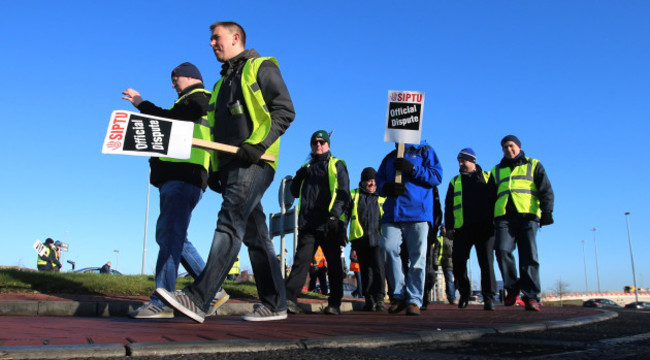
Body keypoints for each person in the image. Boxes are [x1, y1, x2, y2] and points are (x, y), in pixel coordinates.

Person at [156, 21, 295, 323]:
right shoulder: (219, 85)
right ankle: (275, 304)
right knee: (256, 237)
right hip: (231, 165)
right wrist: (217, 169)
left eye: (215, 38)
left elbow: (284, 110)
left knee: (229, 221)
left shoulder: (261, 67)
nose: (210, 43)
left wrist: (257, 145)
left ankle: (199, 298)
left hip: (256, 162)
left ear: (235, 38)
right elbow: (216, 133)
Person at [122, 62, 229, 319]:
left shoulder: (200, 98)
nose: (173, 85)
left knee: (170, 237)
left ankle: (162, 301)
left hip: (185, 176)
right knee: (173, 235)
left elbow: (169, 121)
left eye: (175, 79)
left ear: (190, 78)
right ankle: (211, 288)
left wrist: (140, 103)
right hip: (179, 177)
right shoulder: (188, 103)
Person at [284, 130, 350, 315]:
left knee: (334, 264)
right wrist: (299, 176)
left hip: (330, 224)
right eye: (314, 142)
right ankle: (289, 299)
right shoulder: (307, 166)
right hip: (309, 225)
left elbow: (343, 193)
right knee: (300, 262)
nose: (318, 145)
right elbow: (295, 192)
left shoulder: (337, 165)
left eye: (322, 142)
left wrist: (334, 216)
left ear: (328, 144)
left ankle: (334, 303)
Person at [375, 141, 443, 316]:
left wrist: (412, 169)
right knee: (386, 248)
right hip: (393, 213)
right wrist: (385, 187)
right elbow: (379, 181)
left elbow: (436, 176)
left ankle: (414, 299)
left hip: (417, 213)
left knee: (417, 258)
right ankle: (398, 294)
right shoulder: (390, 158)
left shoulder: (425, 151)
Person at [488, 135, 554, 312]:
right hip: (503, 217)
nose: (508, 150)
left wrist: (547, 211)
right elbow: (489, 197)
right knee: (501, 251)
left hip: (528, 216)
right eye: (504, 147)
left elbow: (546, 189)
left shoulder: (534, 164)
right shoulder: (496, 170)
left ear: (518, 146)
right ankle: (512, 287)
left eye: (511, 146)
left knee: (529, 256)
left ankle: (532, 296)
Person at [445, 148, 497, 310]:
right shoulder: (455, 182)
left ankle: (489, 297)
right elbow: (448, 206)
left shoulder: (489, 177)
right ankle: (465, 294)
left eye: (463, 161)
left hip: (485, 228)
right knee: (458, 262)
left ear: (472, 161)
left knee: (486, 263)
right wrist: (449, 227)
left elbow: (497, 200)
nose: (460, 164)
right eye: (459, 161)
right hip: (462, 229)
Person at [347, 167, 386, 311]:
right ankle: (369, 299)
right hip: (360, 239)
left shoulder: (382, 195)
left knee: (378, 268)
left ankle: (380, 299)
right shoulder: (354, 195)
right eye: (368, 181)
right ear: (362, 182)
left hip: (378, 238)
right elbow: (345, 213)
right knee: (365, 270)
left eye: (374, 181)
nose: (372, 184)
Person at [421, 186, 443, 310]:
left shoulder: (431, 187)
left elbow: (438, 210)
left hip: (428, 232)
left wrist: (434, 231)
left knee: (429, 273)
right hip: (410, 230)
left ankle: (423, 296)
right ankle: (419, 297)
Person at [438, 226, 457, 304]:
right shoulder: (439, 239)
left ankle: (450, 292)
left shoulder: (453, 238)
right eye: (442, 229)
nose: (443, 230)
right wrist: (436, 262)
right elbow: (436, 251)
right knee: (449, 281)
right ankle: (452, 298)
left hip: (455, 262)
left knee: (458, 280)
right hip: (446, 263)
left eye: (444, 228)